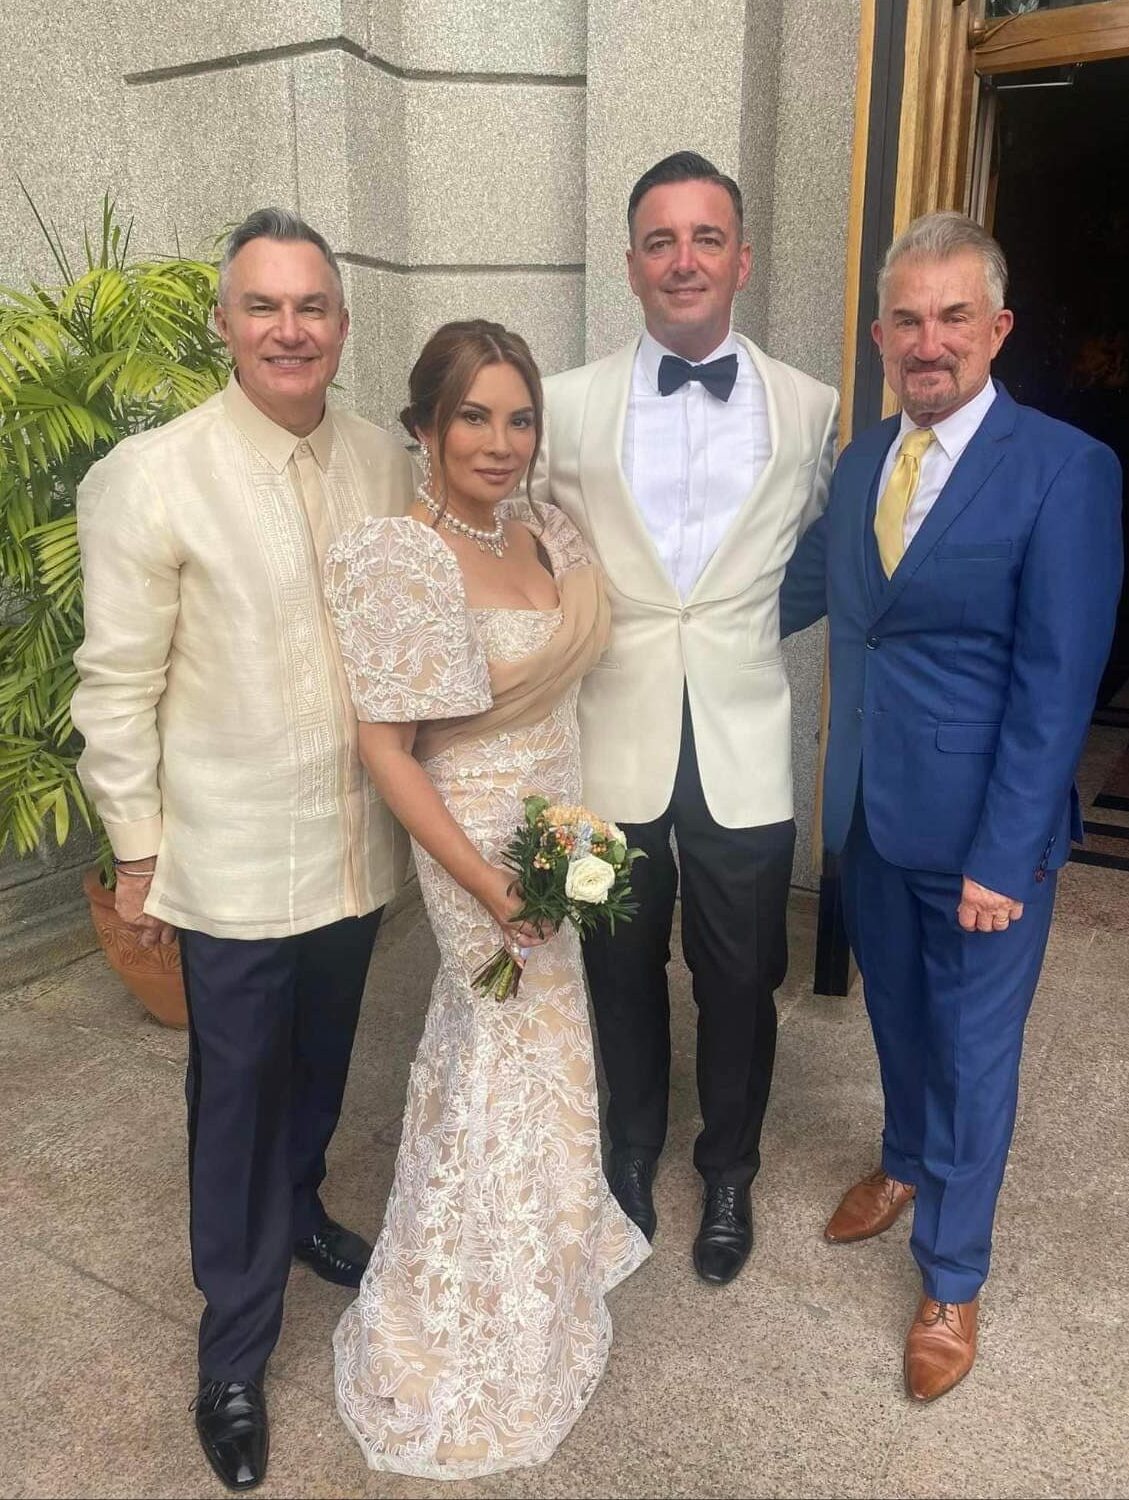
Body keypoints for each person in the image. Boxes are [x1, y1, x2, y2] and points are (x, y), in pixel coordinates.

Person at [71, 208, 416, 1491]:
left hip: (351, 849)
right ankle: (232, 1348)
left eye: (311, 306)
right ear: (224, 324)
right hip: (227, 860)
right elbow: (115, 687)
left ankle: (306, 1209)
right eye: (263, 306)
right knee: (234, 1104)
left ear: (341, 323)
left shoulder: (385, 458)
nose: (289, 328)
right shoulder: (151, 474)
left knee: (321, 1068)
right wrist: (142, 850)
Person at [781, 212, 1123, 1400]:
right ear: (880, 334)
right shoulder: (865, 456)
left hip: (987, 839)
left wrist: (1004, 851)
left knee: (975, 1053)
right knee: (899, 1023)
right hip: (871, 815)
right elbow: (808, 592)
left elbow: (1055, 682)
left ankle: (952, 1275)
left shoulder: (1066, 471)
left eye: (952, 318)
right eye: (907, 320)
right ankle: (903, 1160)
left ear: (998, 328)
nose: (928, 342)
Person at [325, 320, 649, 1480]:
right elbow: (389, 750)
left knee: (549, 1050)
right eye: (473, 417)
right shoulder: (399, 558)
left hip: (558, 830)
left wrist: (567, 847)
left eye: (518, 419)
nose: (500, 442)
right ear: (424, 425)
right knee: (505, 1040)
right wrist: (487, 879)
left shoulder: (546, 534)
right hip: (469, 845)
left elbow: (563, 696)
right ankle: (467, 1293)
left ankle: (546, 1244)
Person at [531, 152, 838, 1284]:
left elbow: (806, 559)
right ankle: (629, 1152)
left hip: (747, 746)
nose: (684, 260)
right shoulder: (563, 404)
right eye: (660, 240)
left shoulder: (811, 409)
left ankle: (728, 1171)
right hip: (608, 746)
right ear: (629, 265)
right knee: (615, 966)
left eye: (706, 238)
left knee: (740, 975)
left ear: (742, 259)